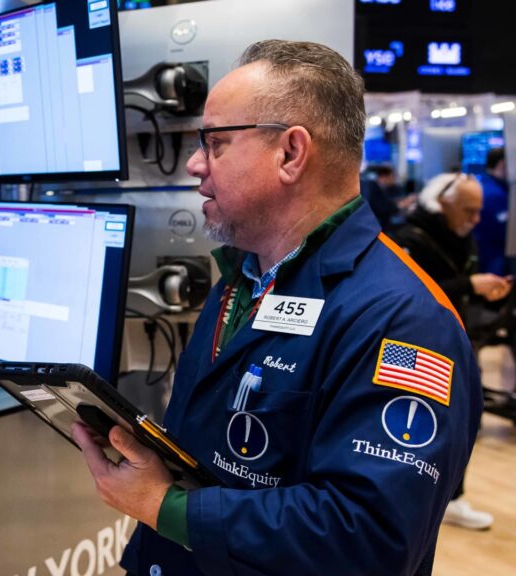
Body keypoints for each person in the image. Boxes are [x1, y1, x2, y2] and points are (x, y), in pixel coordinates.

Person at [72, 40, 481, 576]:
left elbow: (369, 540)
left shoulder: (405, 320)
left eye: (215, 143)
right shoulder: (241, 280)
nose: (195, 163)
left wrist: (163, 507)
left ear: (290, 153)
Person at [391, 172, 508, 531]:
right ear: (443, 204)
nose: (476, 219)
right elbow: (409, 293)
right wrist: (468, 285)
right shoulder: (409, 239)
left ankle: (451, 497)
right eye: (469, 211)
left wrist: (482, 290)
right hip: (417, 348)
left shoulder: (463, 238)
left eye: (478, 211)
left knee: (459, 422)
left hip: (456, 341)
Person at [473, 148, 509, 276]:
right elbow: (506, 233)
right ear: (502, 164)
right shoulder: (492, 194)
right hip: (493, 262)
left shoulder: (489, 186)